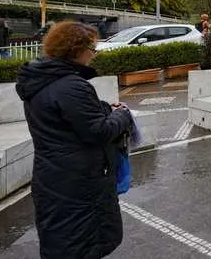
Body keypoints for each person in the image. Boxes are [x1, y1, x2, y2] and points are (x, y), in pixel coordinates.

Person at [15, 21, 133, 259]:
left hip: (54, 176)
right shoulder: (71, 85)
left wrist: (103, 108)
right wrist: (122, 115)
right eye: (91, 49)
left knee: (62, 242)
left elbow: (63, 117)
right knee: (82, 245)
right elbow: (98, 131)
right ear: (75, 49)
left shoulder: (42, 81)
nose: (93, 54)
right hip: (79, 183)